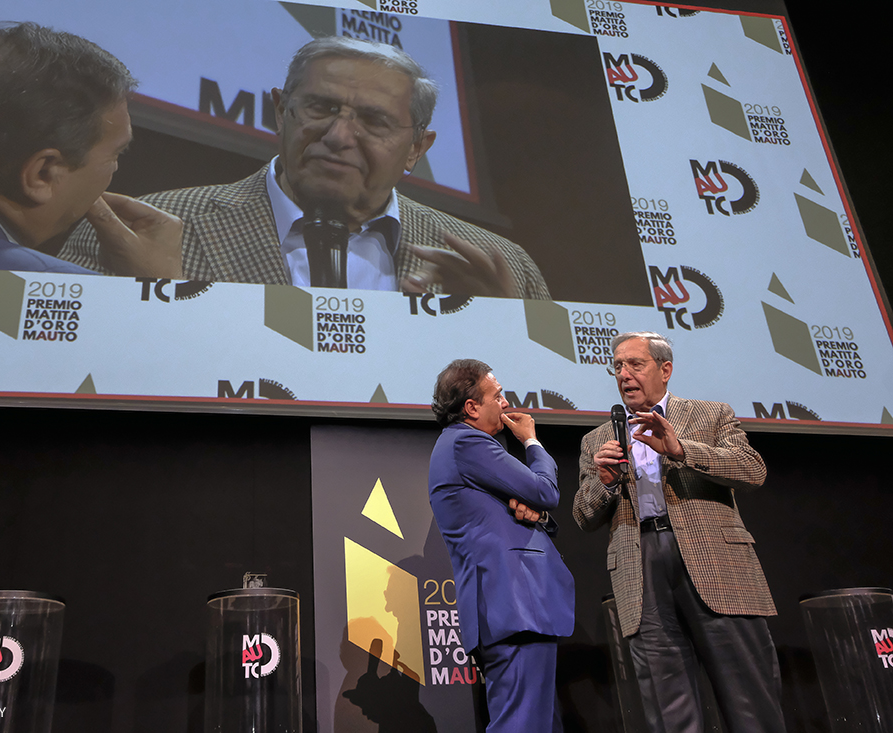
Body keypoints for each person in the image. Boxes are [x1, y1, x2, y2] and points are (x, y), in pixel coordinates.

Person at [60, 36, 549, 298]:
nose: (338, 137)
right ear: (280, 111)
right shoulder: (133, 235)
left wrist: (501, 328)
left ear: (417, 148)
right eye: (319, 108)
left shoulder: (506, 270)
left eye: (374, 121)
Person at [574, 332, 787, 733]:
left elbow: (751, 470)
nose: (624, 374)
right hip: (640, 566)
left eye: (635, 364)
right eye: (617, 366)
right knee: (668, 708)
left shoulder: (709, 415)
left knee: (750, 700)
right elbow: (583, 516)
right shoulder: (596, 440)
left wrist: (682, 450)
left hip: (715, 563)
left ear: (665, 369)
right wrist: (603, 483)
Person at [0, 22, 182, 277]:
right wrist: (161, 289)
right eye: (116, 154)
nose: (115, 167)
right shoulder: (50, 288)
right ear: (44, 174)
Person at [428, 359, 574, 732]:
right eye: (497, 395)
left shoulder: (460, 448)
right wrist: (531, 440)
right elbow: (545, 491)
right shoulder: (467, 441)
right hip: (514, 605)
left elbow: (529, 509)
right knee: (522, 725)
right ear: (471, 407)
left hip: (513, 609)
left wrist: (537, 516)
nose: (506, 403)